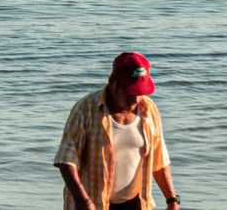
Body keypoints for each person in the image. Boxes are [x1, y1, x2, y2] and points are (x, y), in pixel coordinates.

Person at [53, 52, 180, 210]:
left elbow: (159, 160)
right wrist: (82, 200)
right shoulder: (86, 109)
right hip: (92, 203)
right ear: (113, 83)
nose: (135, 99)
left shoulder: (149, 109)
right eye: (129, 93)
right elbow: (66, 161)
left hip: (136, 203)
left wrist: (172, 199)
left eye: (139, 93)